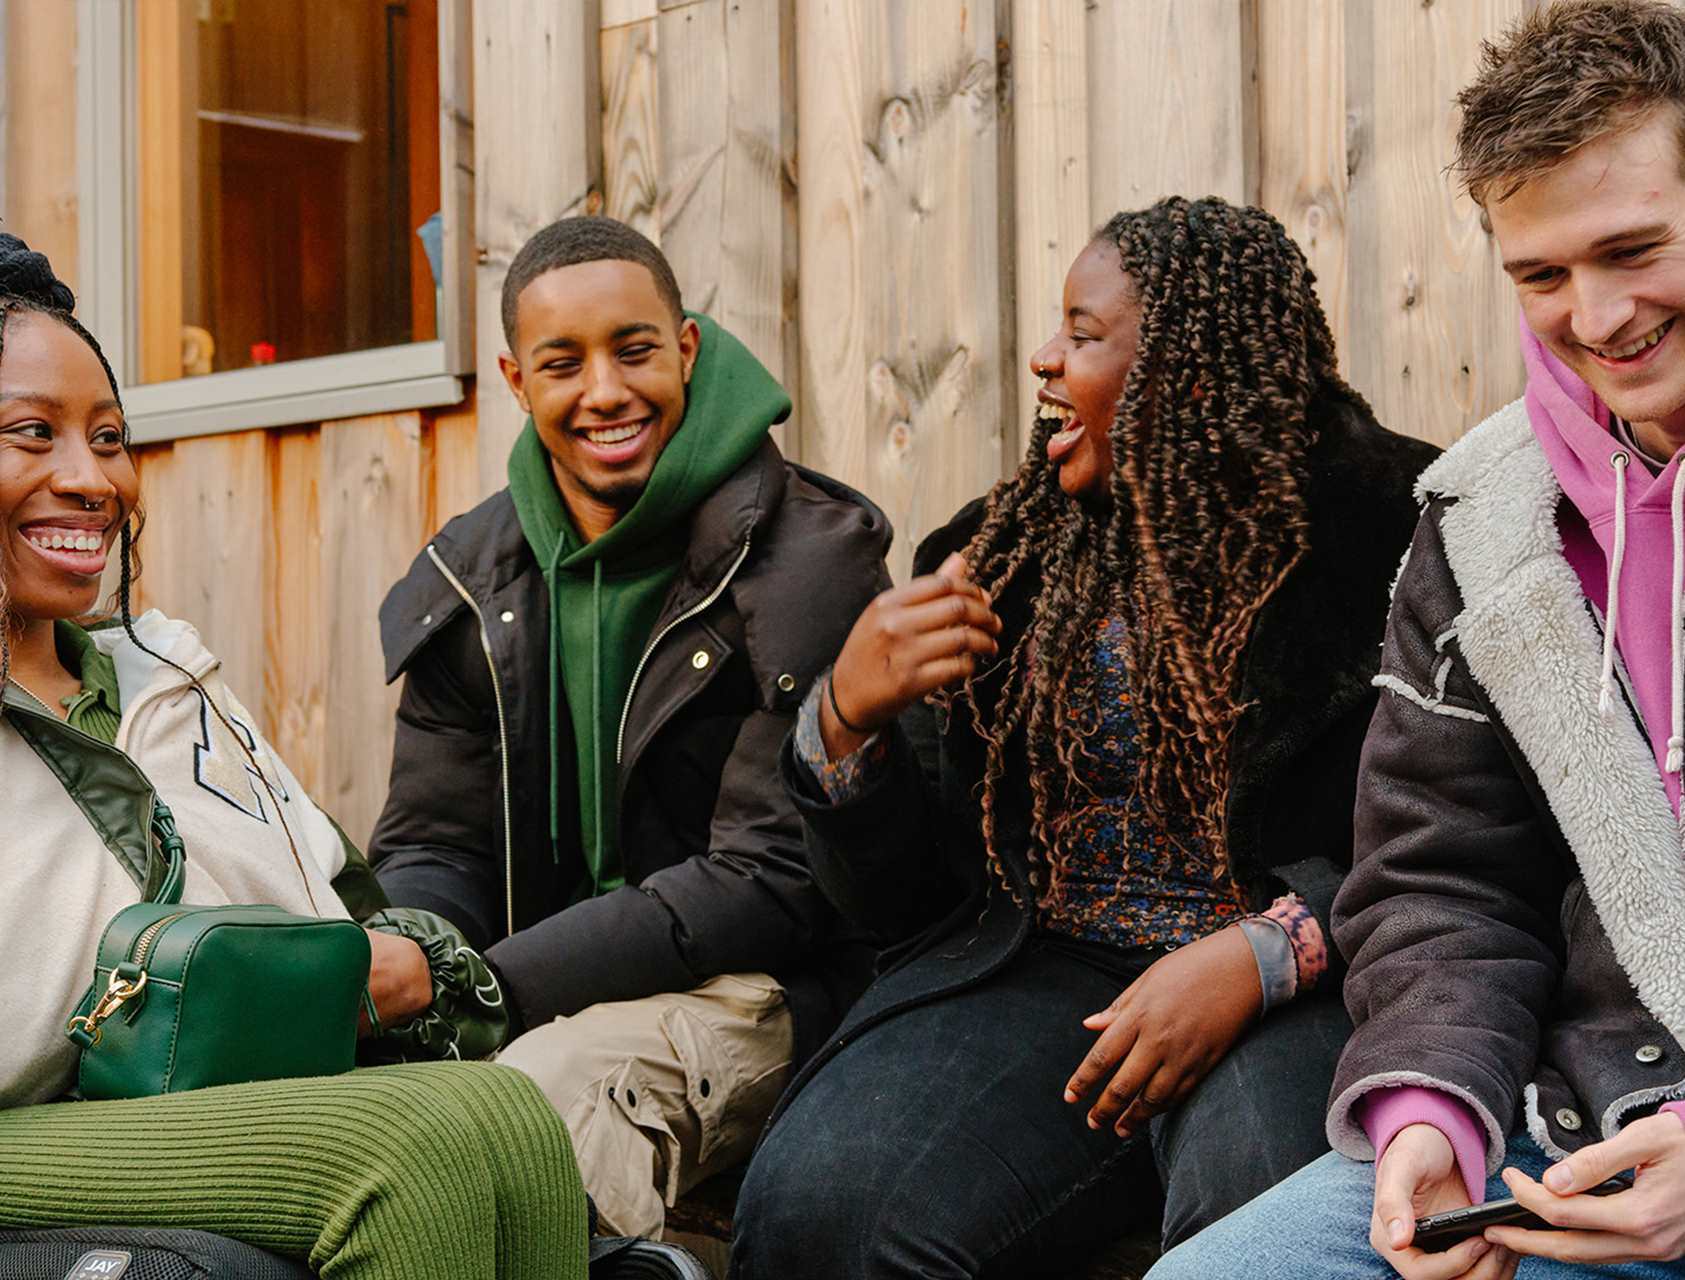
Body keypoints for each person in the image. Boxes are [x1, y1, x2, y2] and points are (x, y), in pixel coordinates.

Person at [1148, 4, 1685, 1279]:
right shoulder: (1484, 517)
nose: (1597, 316)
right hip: (1582, 1128)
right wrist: (1429, 1107)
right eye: (1542, 274)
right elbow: (1440, 877)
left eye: (1631, 248)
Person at [729, 196, 1437, 1277]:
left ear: (1192, 369)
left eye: (1085, 332)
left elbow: (1466, 830)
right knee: (823, 1207)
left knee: (1269, 1222)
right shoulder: (996, 556)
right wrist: (845, 721)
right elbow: (902, 905)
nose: (1043, 360)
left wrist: (1267, 951)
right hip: (1049, 968)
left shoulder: (1397, 535)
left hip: (1306, 980)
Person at [0, 235, 590, 1278]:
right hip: (32, 1123)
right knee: (413, 1150)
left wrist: (388, 965)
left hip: (187, 1100)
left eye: (110, 437)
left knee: (508, 1112)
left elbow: (331, 908)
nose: (91, 479)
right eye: (32, 434)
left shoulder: (162, 674)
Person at [369, 215, 891, 1238]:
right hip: (530, 978)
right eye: (564, 363)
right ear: (519, 383)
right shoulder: (474, 579)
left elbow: (770, 880)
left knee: (528, 1109)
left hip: (765, 986)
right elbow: (437, 838)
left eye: (635, 349)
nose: (605, 391)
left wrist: (475, 982)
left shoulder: (807, 559)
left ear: (686, 348)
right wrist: (408, 944)